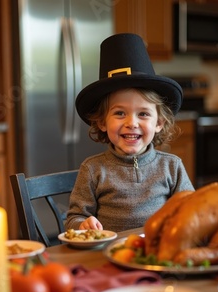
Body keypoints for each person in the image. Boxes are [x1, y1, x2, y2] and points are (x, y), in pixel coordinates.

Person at [65, 33, 194, 232]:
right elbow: (74, 218)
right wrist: (83, 224)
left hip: (158, 253)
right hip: (108, 256)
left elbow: (191, 210)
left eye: (143, 113)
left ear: (159, 122)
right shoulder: (93, 169)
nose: (131, 123)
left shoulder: (171, 166)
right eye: (119, 113)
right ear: (102, 122)